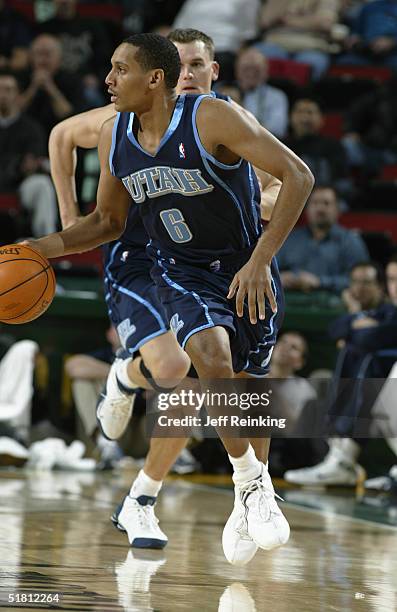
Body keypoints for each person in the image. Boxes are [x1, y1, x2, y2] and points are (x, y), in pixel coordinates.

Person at [25, 33, 314, 565]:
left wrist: (259, 259)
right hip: (171, 267)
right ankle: (241, 481)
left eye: (119, 70)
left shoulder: (216, 118)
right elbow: (106, 218)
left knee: (247, 390)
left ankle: (245, 492)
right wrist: (46, 243)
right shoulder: (116, 132)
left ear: (157, 77)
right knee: (198, 358)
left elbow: (295, 176)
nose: (106, 80)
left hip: (242, 265)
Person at [285, 259, 397, 486]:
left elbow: (371, 338)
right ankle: (341, 456)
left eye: (367, 282)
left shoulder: (387, 311)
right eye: (393, 279)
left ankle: (343, 458)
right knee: (354, 354)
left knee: (368, 360)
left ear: (378, 287)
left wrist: (360, 330)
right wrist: (356, 318)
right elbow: (335, 329)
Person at [277, 185, 369, 293]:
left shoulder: (351, 242)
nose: (320, 209)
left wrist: (320, 282)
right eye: (315, 203)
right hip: (291, 303)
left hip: (335, 305)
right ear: (306, 209)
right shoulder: (290, 239)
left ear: (338, 209)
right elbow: (270, 271)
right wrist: (280, 278)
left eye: (326, 203)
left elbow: (362, 282)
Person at [0, 70, 58, 237]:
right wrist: (17, 164)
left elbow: (31, 163)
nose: (3, 95)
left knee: (42, 184)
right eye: (0, 89)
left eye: (8, 90)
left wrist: (19, 166)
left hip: (21, 185)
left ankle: (45, 243)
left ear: (18, 95)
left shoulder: (31, 128)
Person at [65, 325, 124, 468]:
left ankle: (177, 452)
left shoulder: (148, 354)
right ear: (109, 334)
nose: (124, 330)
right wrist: (123, 374)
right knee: (82, 381)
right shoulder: (105, 356)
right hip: (112, 431)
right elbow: (73, 367)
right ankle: (105, 443)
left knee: (170, 382)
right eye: (119, 326)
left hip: (143, 434)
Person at [283, 98, 350, 200]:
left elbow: (340, 178)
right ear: (290, 117)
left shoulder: (334, 146)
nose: (305, 118)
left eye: (310, 112)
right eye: (300, 112)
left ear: (322, 119)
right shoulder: (282, 146)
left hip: (324, 197)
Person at [17, 34, 81, 138]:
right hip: (24, 136)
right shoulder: (21, 78)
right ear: (31, 57)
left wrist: (50, 87)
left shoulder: (73, 80)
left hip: (62, 134)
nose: (43, 60)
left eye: (48, 54)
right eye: (38, 54)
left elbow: (68, 115)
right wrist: (33, 88)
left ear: (59, 58)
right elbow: (14, 113)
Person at [257, 0, 340, 80]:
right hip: (275, 42)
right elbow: (265, 21)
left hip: (312, 45)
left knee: (310, 65)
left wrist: (288, 21)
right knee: (258, 60)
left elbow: (325, 23)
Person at [235, 46, 289, 139]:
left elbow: (277, 129)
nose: (251, 74)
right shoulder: (223, 90)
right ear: (237, 70)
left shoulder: (277, 97)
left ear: (266, 72)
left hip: (262, 144)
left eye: (256, 69)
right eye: (246, 68)